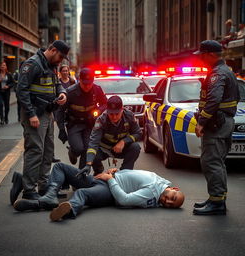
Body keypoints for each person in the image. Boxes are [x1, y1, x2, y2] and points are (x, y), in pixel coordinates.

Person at [12, 162, 185, 221]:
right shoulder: (161, 181)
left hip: (109, 190)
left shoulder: (152, 192)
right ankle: (49, 196)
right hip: (108, 179)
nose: (168, 201)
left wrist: (110, 180)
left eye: (171, 205)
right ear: (173, 188)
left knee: (82, 194)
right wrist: (115, 172)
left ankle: (67, 210)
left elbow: (124, 200)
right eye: (173, 198)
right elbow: (134, 177)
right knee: (61, 167)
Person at [15, 40, 69, 201]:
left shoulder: (51, 65)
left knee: (48, 152)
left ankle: (43, 187)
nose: (60, 61)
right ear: (52, 50)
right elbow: (21, 90)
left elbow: (57, 84)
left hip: (47, 113)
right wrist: (31, 114)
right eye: (60, 57)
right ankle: (29, 190)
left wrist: (62, 93)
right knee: (35, 150)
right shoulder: (33, 64)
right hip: (35, 114)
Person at [193, 40, 240, 215]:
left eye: (202, 55)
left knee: (211, 162)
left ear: (211, 55)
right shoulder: (225, 71)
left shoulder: (217, 74)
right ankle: (216, 198)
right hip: (223, 123)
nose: (201, 58)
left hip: (216, 125)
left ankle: (217, 202)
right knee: (217, 162)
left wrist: (201, 122)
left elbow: (214, 100)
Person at [77, 95, 142, 177]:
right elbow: (93, 143)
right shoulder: (101, 120)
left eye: (117, 114)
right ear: (107, 111)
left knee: (135, 147)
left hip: (120, 149)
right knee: (89, 150)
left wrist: (124, 141)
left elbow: (138, 133)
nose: (114, 117)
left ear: (122, 110)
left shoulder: (129, 116)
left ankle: (124, 174)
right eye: (111, 114)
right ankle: (98, 170)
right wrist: (88, 164)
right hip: (104, 149)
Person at [56, 67, 107, 169]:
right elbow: (60, 111)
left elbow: (104, 104)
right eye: (84, 84)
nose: (87, 87)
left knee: (88, 148)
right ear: (79, 80)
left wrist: (97, 112)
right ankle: (72, 152)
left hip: (90, 124)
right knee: (78, 148)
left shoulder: (97, 90)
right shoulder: (70, 92)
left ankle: (81, 175)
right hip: (74, 124)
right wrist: (61, 129)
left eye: (90, 83)